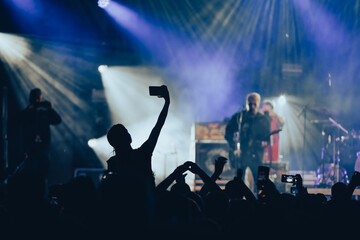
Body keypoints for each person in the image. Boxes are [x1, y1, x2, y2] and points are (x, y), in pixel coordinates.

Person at [105, 85, 170, 190]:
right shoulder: (143, 153)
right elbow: (158, 126)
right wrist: (167, 103)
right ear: (126, 138)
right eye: (125, 132)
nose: (128, 134)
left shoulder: (113, 163)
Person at [225, 92, 270, 193]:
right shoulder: (239, 117)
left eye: (255, 104)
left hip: (257, 154)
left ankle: (260, 202)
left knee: (260, 181)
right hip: (242, 154)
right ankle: (238, 200)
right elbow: (228, 132)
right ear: (246, 104)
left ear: (258, 104)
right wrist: (234, 147)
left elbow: (267, 136)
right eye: (250, 104)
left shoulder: (263, 119)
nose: (252, 106)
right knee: (239, 181)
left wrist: (264, 143)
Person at [18, 88, 62, 186]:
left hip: (43, 148)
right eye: (36, 98)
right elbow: (18, 119)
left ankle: (41, 194)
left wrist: (51, 110)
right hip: (29, 149)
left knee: (43, 175)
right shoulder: (27, 114)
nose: (38, 100)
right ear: (31, 99)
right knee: (29, 175)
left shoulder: (44, 114)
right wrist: (30, 109)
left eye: (39, 98)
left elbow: (57, 120)